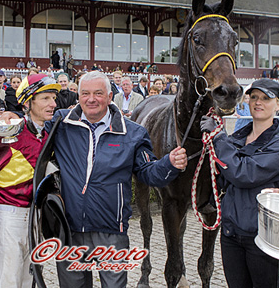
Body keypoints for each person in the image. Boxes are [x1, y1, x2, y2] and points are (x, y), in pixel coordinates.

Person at [27, 71, 186, 287]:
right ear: (78, 96)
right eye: (85, 93)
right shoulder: (61, 123)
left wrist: (169, 164)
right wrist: (14, 119)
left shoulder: (133, 133)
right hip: (70, 230)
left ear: (110, 97)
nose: (91, 99)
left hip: (111, 232)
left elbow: (149, 173)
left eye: (98, 93)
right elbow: (32, 135)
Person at [199, 78, 279, 288]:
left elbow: (244, 174)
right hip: (231, 233)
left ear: (278, 104)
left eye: (265, 98)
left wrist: (218, 138)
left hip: (264, 237)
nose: (258, 103)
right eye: (254, 97)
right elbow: (221, 176)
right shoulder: (236, 139)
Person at [0, 74, 61, 288]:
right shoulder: (7, 134)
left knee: (30, 281)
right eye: (45, 98)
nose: (53, 104)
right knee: (9, 283)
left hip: (37, 218)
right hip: (10, 218)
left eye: (53, 98)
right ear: (28, 102)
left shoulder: (49, 133)